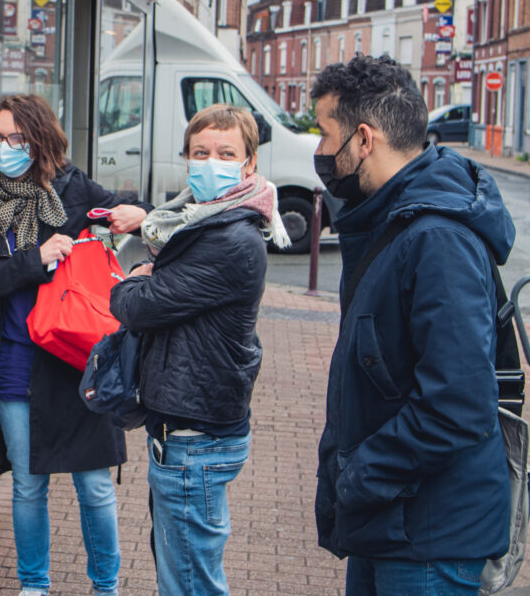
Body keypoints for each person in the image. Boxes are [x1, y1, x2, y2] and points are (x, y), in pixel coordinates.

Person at [311, 55, 514, 595]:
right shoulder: (393, 219)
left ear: (363, 139)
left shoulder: (436, 238)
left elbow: (458, 403)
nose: (320, 153)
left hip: (430, 538)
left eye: (324, 134)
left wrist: (358, 475)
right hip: (395, 521)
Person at [0, 94, 151, 596]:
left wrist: (138, 214)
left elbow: (130, 215)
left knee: (94, 487)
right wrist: (34, 259)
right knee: (28, 483)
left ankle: (105, 587)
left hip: (76, 359)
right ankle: (33, 586)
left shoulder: (74, 190)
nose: (5, 148)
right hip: (15, 364)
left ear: (41, 141)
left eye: (17, 138)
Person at [109, 104, 290, 596]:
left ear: (249, 164)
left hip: (196, 436)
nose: (211, 162)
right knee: (183, 572)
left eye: (226, 153)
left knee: (191, 583)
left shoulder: (230, 238)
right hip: (190, 428)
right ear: (187, 159)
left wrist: (132, 279)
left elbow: (138, 307)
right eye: (201, 152)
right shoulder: (200, 218)